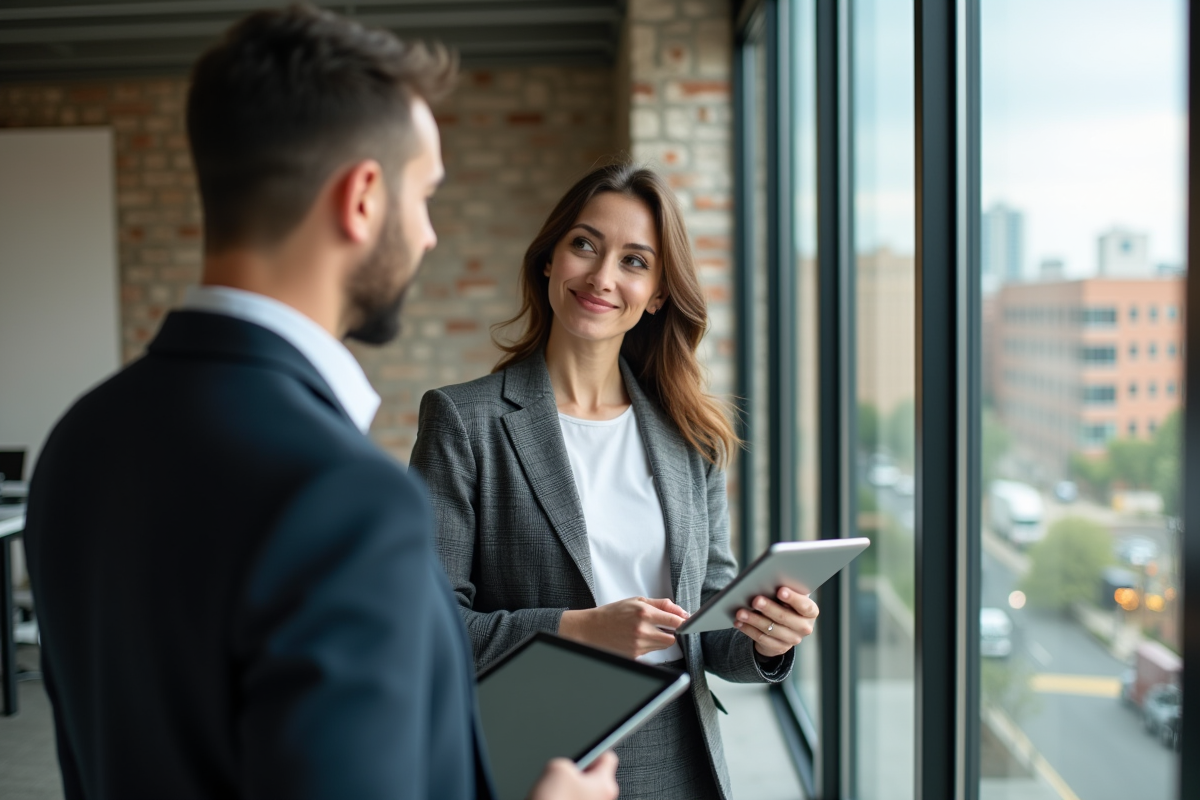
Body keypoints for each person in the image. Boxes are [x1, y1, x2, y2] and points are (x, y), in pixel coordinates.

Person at [23, 6, 616, 800]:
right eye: (424, 195)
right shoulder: (344, 501)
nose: (431, 234)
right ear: (363, 198)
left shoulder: (80, 439)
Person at [409, 163, 820, 800]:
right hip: (534, 759)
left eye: (634, 261)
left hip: (679, 761)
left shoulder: (692, 436)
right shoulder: (464, 421)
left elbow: (709, 632)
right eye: (585, 246)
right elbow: (427, 630)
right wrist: (578, 628)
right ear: (549, 260)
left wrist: (766, 640)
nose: (602, 278)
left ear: (657, 293)